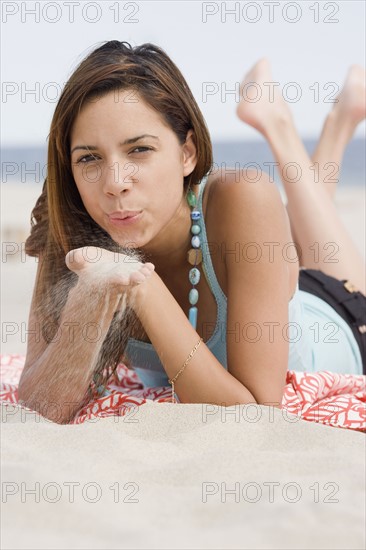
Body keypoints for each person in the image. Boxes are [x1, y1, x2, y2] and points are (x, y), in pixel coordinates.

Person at [18, 40, 366, 424]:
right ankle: (330, 122)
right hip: (263, 280)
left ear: (188, 153)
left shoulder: (243, 196)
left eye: (139, 150)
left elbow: (257, 418)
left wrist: (143, 288)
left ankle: (284, 125)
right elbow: (40, 406)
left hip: (343, 316)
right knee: (294, 243)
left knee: (332, 264)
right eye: (89, 158)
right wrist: (89, 297)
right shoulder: (72, 229)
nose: (114, 184)